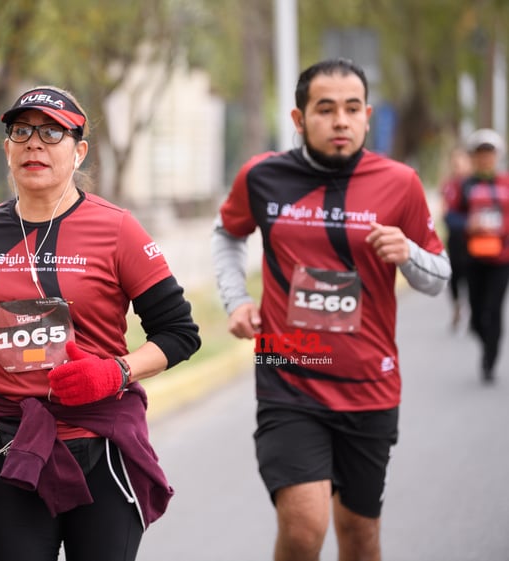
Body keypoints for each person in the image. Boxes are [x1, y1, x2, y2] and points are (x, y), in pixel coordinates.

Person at [0, 85, 201, 561]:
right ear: (6, 147)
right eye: (22, 131)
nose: (35, 143)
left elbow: (179, 333)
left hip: (102, 448)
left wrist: (116, 372)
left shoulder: (117, 229)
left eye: (52, 132)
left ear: (79, 150)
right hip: (14, 447)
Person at [211, 59, 449, 561]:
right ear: (299, 119)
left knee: (360, 536)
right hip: (286, 373)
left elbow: (437, 278)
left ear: (366, 115)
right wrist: (236, 301)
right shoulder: (262, 176)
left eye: (351, 108)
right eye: (325, 109)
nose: (340, 120)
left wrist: (411, 254)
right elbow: (228, 233)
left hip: (370, 384)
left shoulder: (400, 183)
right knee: (304, 526)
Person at [444, 128, 509, 383]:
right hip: (472, 259)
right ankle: (483, 337)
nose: (485, 159)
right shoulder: (464, 186)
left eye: (489, 154)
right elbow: (450, 216)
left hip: (501, 260)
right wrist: (467, 224)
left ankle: (489, 360)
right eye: (480, 154)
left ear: (497, 156)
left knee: (493, 310)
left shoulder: (505, 183)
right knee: (477, 314)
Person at [440, 146, 473, 329]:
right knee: (453, 276)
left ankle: (473, 309)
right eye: (455, 163)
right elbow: (445, 212)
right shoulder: (449, 185)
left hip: (472, 240)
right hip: (454, 238)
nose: (458, 166)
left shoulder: (474, 185)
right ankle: (457, 306)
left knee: (470, 277)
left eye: (461, 162)